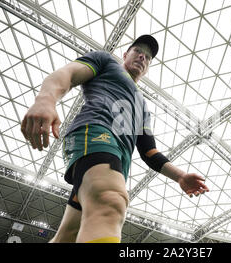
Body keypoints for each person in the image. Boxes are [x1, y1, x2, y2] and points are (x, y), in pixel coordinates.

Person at [21, 35, 209, 243]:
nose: (142, 57)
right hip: (94, 133)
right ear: (125, 54)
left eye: (147, 57)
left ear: (148, 68)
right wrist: (46, 100)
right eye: (138, 51)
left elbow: (149, 152)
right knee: (110, 202)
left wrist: (180, 176)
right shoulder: (106, 62)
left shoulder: (143, 106)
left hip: (115, 159)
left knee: (67, 236)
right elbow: (69, 73)